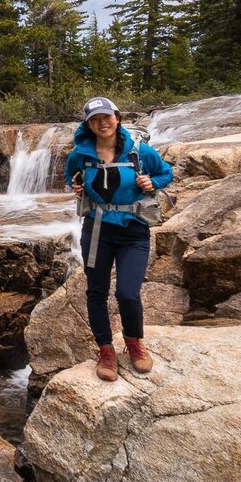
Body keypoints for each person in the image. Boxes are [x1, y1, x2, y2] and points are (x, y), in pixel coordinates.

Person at [63, 97, 173, 382]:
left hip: (134, 230)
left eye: (107, 116)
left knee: (127, 292)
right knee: (96, 291)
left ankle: (134, 343)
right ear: (88, 124)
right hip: (96, 230)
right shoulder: (80, 154)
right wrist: (76, 185)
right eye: (95, 119)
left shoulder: (139, 151)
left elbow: (166, 172)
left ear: (117, 117)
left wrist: (153, 182)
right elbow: (70, 175)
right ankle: (105, 350)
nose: (102, 123)